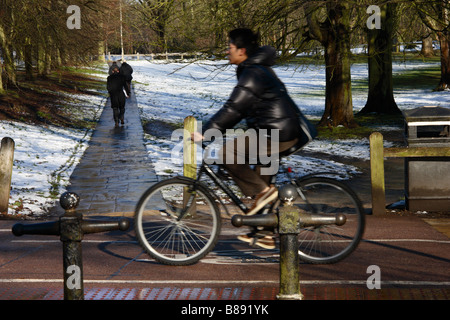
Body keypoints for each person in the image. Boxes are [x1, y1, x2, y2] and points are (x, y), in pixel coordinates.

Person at [192, 28, 316, 249]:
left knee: (227, 153)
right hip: (277, 131)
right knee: (262, 181)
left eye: (229, 47)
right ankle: (265, 233)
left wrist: (208, 133)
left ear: (242, 50)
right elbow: (241, 110)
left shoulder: (253, 73)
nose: (226, 51)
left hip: (275, 133)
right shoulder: (254, 69)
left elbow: (234, 109)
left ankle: (265, 194)